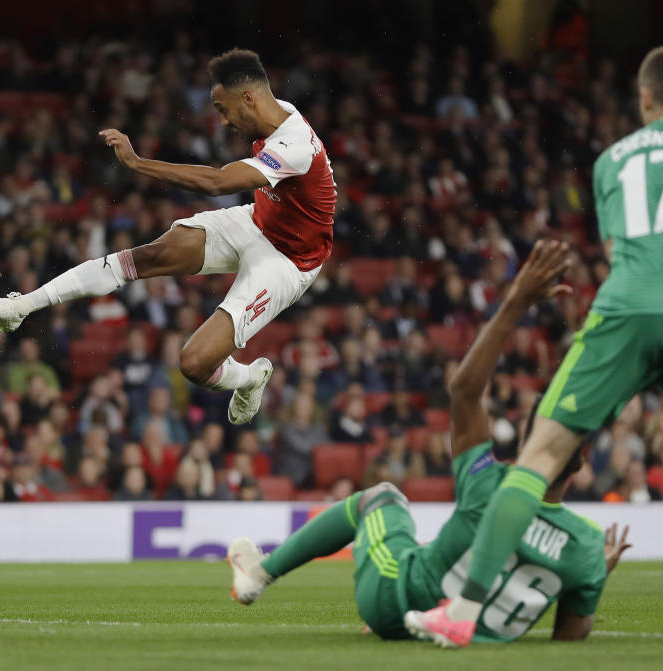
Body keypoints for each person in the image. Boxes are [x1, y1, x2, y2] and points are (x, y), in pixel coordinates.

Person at [413, 45, 663, 647]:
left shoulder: (610, 162)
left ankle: (463, 612)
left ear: (645, 99)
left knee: (540, 457)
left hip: (625, 309)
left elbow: (626, 247)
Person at [227, 240, 631, 645]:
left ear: (526, 440)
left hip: (394, 600)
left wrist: (515, 302)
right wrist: (594, 571)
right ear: (581, 464)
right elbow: (569, 639)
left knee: (382, 497)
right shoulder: (589, 546)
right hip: (469, 630)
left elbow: (464, 393)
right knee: (436, 542)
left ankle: (258, 573)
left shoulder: (490, 484)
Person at [0, 48, 336, 426]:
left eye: (224, 110)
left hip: (288, 261)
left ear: (248, 99)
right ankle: (22, 306)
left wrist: (138, 163)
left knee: (193, 363)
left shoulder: (297, 147)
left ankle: (250, 376)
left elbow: (217, 182)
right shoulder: (275, 111)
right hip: (257, 221)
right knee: (147, 257)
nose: (223, 122)